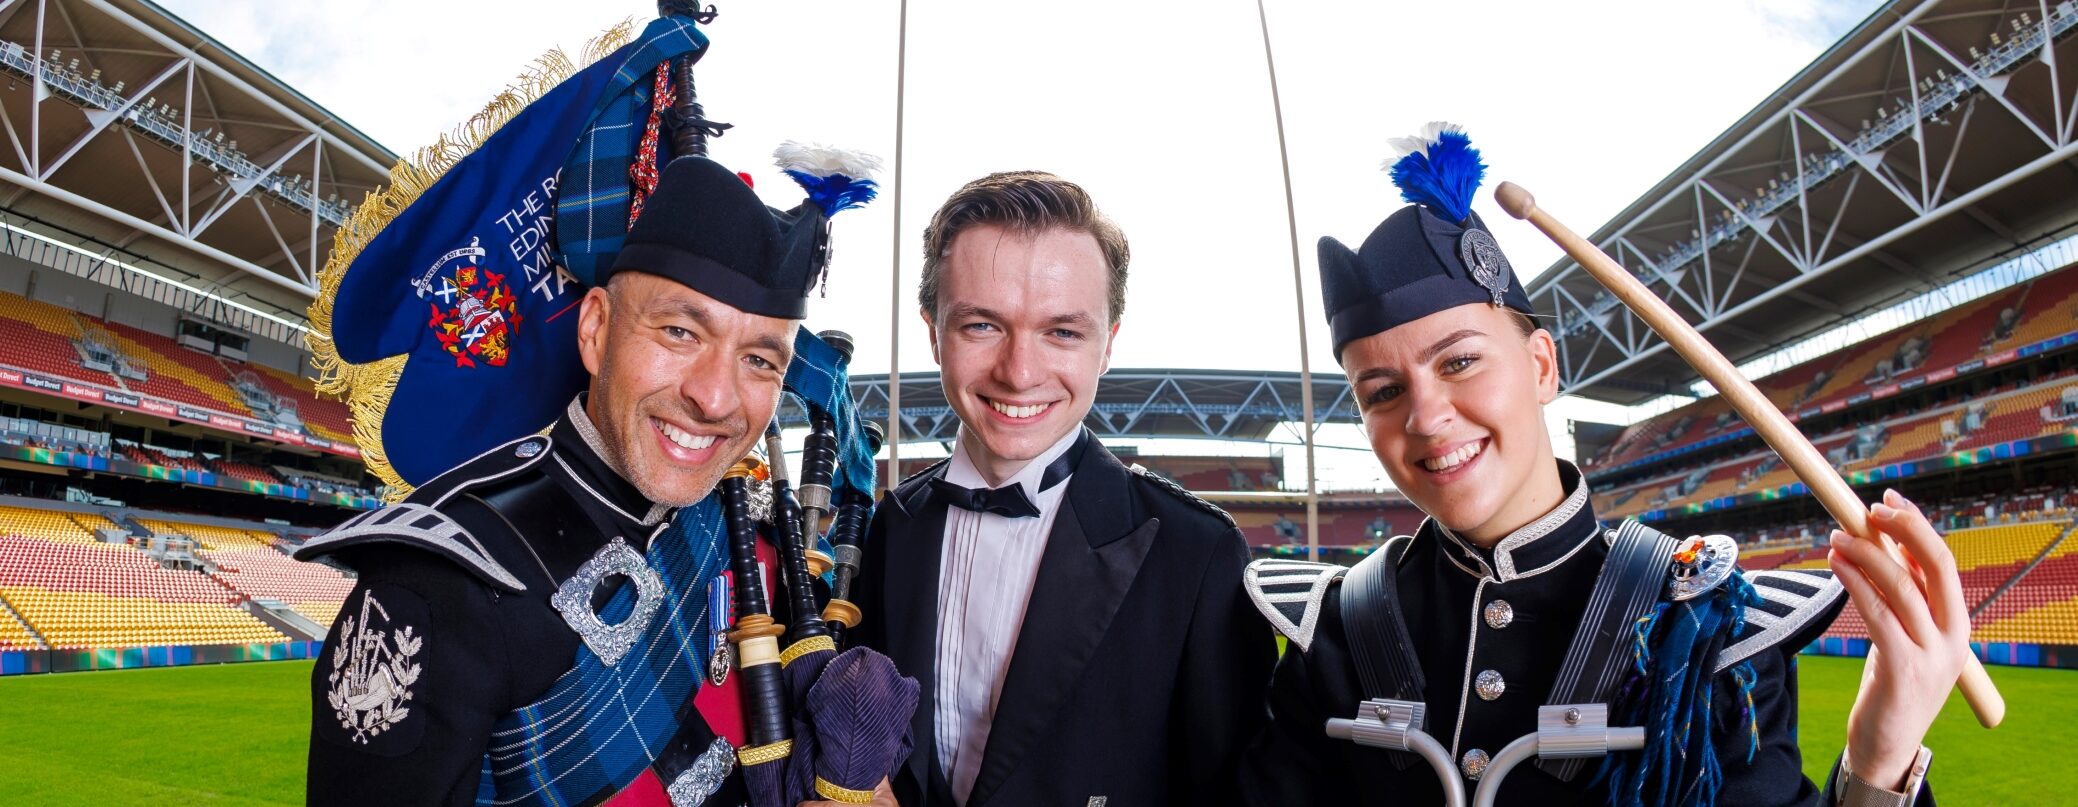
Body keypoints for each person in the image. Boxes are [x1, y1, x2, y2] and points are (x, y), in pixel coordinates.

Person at [1238, 124, 1960, 806]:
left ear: (1542, 365)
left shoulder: (1706, 629)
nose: (1425, 417)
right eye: (1384, 392)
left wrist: (1879, 759)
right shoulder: (1333, 632)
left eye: (1459, 361)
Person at [297, 150, 890, 806]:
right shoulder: (438, 589)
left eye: (758, 359)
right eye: (680, 331)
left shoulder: (749, 537)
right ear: (596, 329)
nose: (717, 398)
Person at [848, 171, 1276, 807]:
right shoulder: (892, 527)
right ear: (933, 333)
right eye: (982, 326)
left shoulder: (1196, 552)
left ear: (1107, 346)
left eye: (1063, 332)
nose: (1020, 374)